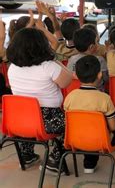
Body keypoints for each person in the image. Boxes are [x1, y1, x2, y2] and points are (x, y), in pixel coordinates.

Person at [7, 27, 73, 173]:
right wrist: (55, 59)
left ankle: (26, 154)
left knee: (30, 118)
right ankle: (54, 160)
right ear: (41, 46)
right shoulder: (48, 67)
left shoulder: (12, 67)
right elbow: (67, 81)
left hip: (18, 120)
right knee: (73, 123)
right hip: (47, 120)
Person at [63, 55, 115, 174]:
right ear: (99, 75)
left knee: (87, 129)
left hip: (76, 139)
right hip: (101, 140)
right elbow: (113, 127)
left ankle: (89, 165)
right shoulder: (104, 98)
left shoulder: (69, 97)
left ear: (76, 76)